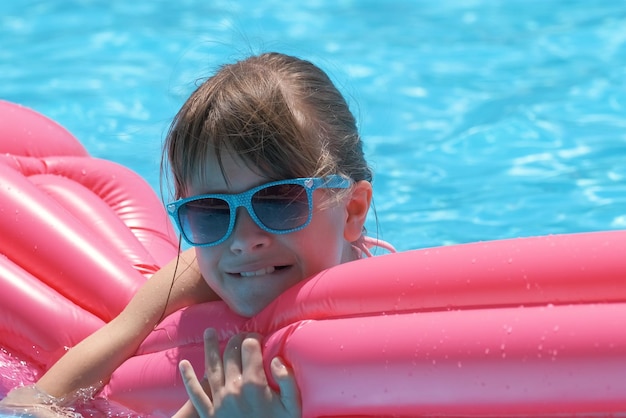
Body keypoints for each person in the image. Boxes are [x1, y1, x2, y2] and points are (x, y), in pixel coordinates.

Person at [1, 52, 394, 417]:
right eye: (210, 212)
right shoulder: (194, 274)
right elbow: (32, 402)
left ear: (353, 210)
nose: (243, 240)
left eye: (279, 200)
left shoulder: (390, 322)